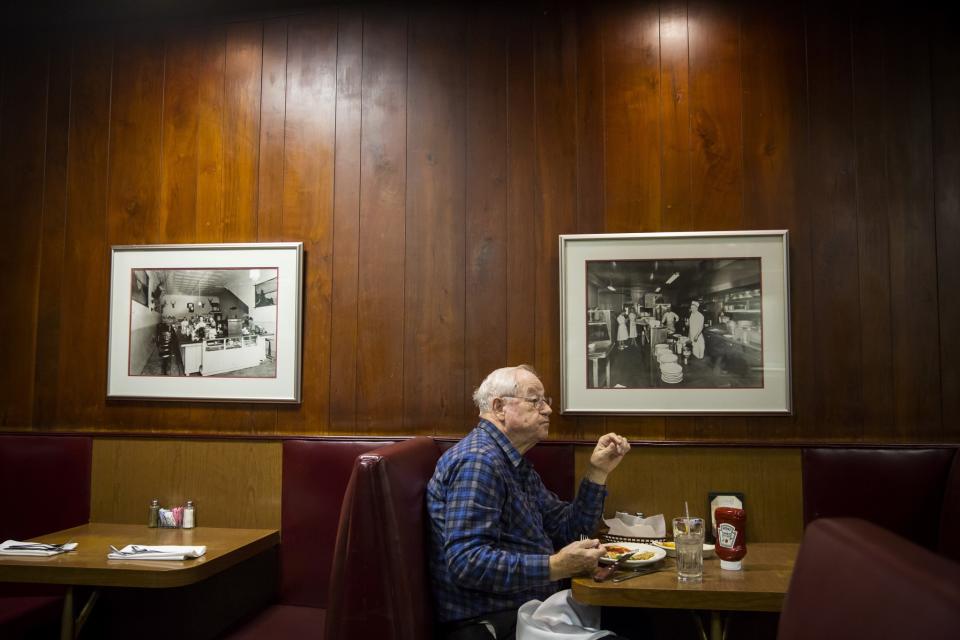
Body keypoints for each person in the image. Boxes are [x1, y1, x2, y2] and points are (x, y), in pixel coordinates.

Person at [428, 365, 631, 640]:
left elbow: (568, 528)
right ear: (499, 407)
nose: (547, 410)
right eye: (535, 401)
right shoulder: (478, 462)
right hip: (492, 621)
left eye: (545, 401)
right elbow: (467, 562)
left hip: (531, 607)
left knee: (641, 618)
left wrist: (598, 472)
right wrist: (555, 566)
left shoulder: (511, 460)